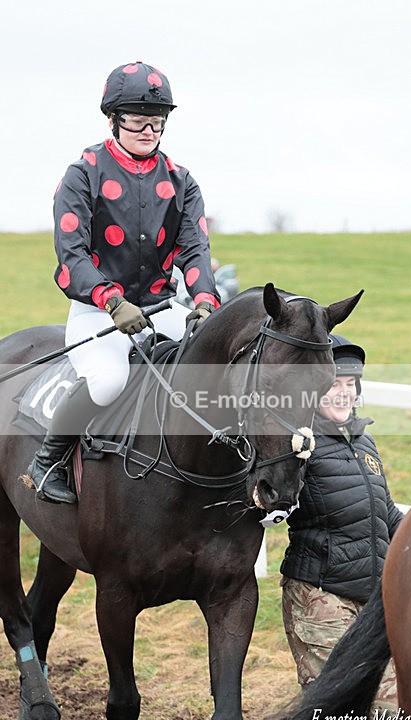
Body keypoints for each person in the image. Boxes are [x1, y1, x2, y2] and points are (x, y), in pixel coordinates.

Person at [26, 61, 220, 505]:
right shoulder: (83, 174)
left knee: (210, 373)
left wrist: (205, 301)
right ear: (113, 119)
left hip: (162, 309)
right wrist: (112, 302)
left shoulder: (181, 181)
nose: (149, 130)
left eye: (158, 121)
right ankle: (47, 461)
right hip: (99, 312)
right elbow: (71, 256)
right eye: (137, 120)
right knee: (109, 382)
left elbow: (195, 249)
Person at [280, 334, 403, 720]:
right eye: (333, 382)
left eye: (350, 383)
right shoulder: (298, 444)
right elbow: (270, 498)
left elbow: (387, 515)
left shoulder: (364, 442)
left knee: (397, 704)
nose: (343, 392)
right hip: (319, 598)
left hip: (372, 603)